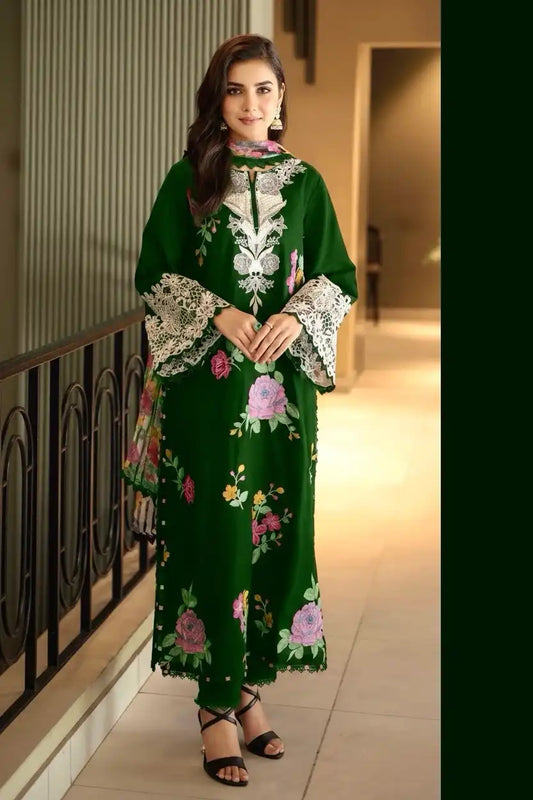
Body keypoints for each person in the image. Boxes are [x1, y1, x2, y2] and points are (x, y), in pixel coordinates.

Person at [123, 34, 357, 788]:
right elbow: (154, 272)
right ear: (215, 100)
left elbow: (336, 274)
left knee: (275, 533)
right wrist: (219, 314)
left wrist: (302, 312)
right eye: (234, 90)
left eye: (262, 89)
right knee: (216, 535)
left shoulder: (306, 184)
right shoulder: (188, 179)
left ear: (281, 96)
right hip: (208, 394)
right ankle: (213, 706)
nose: (250, 104)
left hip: (281, 398)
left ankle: (251, 692)